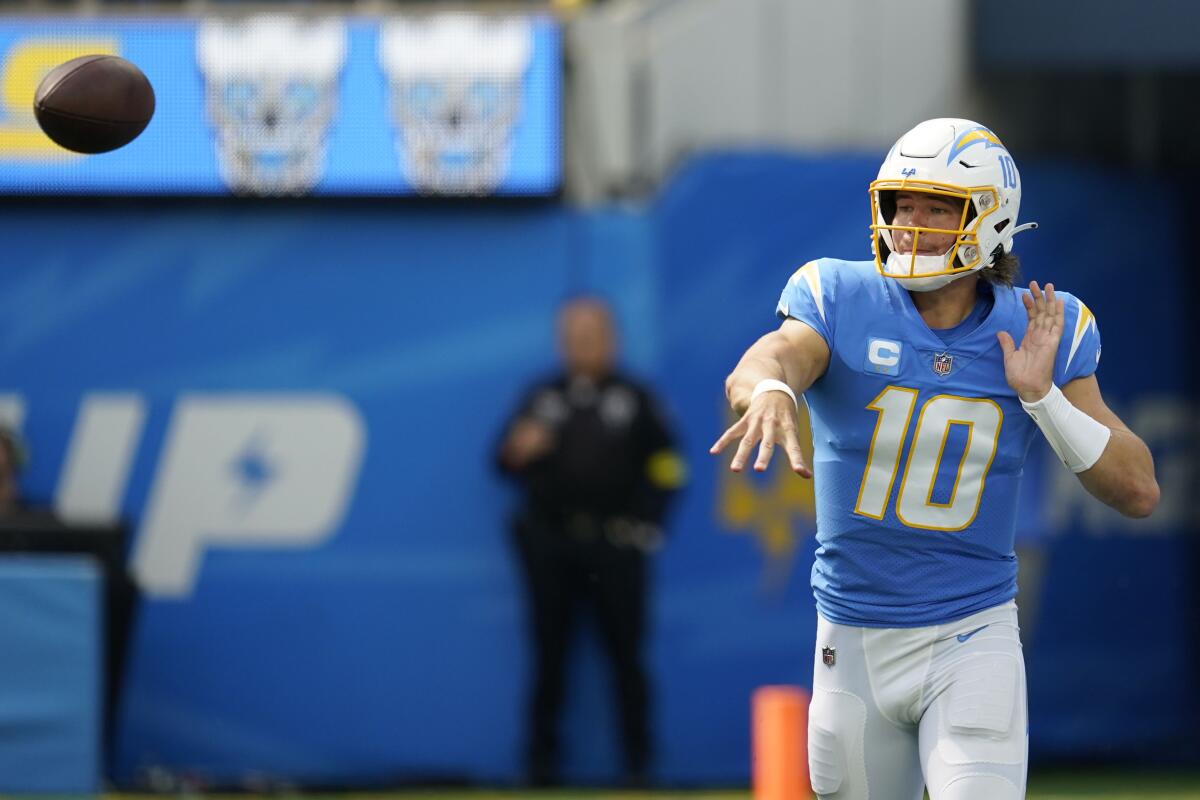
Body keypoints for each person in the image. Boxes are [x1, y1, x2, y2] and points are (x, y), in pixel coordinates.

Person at [710, 118, 1159, 800]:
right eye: (903, 204)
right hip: (853, 640)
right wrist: (769, 390)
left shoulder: (1041, 325)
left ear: (989, 218)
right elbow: (769, 358)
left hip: (971, 633)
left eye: (938, 206)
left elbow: (1138, 489)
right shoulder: (838, 296)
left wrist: (1043, 399)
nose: (912, 223)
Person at [496, 297, 685, 788]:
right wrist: (518, 450)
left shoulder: (636, 398)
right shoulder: (542, 397)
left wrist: (648, 525)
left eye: (592, 332)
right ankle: (541, 769)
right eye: (573, 334)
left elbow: (669, 467)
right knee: (549, 656)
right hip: (551, 547)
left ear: (612, 337)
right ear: (561, 340)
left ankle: (639, 768)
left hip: (615, 546)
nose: (583, 342)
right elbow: (500, 461)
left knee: (627, 658)